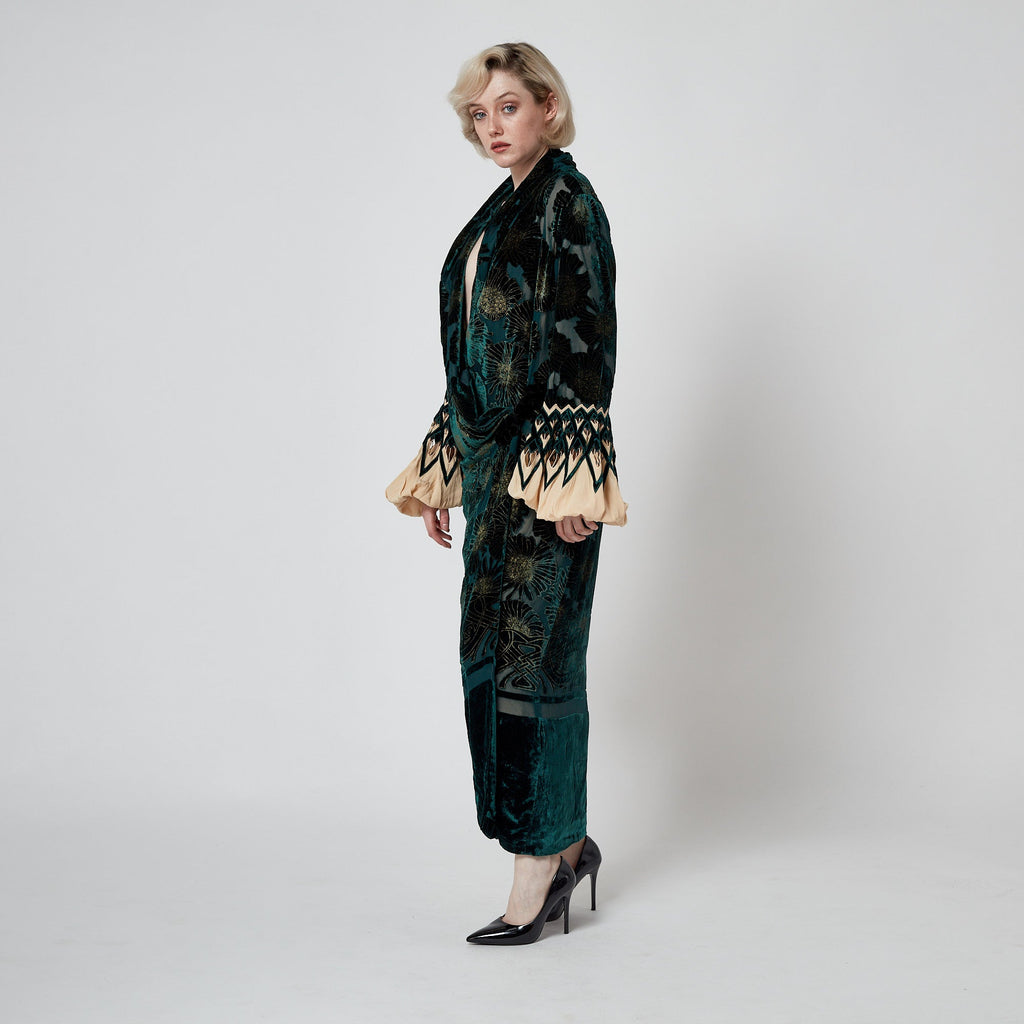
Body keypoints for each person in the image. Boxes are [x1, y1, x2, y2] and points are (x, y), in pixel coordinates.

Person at [386, 42, 627, 945]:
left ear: (549, 108)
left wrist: (574, 479)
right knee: (489, 660)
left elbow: (584, 345)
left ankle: (537, 872)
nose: (492, 126)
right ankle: (562, 845)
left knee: (537, 665)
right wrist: (444, 468)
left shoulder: (570, 204)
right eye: (479, 114)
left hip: (544, 478)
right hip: (491, 480)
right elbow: (472, 363)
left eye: (508, 107)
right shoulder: (496, 211)